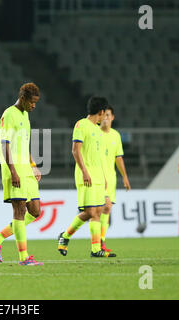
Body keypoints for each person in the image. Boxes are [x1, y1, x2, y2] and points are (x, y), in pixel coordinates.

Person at [0, 82, 43, 266]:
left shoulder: (25, 115)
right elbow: (5, 144)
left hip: (26, 167)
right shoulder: (9, 114)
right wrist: (13, 171)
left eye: (36, 102)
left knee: (34, 211)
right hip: (13, 168)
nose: (34, 106)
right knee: (19, 210)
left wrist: (33, 165)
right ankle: (24, 257)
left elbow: (24, 144)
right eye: (32, 102)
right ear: (23, 98)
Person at [57, 96, 116, 258]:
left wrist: (103, 177)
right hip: (86, 175)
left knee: (96, 211)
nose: (106, 117)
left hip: (97, 176)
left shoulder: (97, 130)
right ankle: (70, 238)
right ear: (102, 111)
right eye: (105, 113)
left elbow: (97, 157)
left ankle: (92, 247)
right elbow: (75, 150)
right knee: (91, 212)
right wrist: (84, 171)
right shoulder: (81, 125)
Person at [99, 106, 131, 252]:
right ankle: (98, 242)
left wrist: (125, 177)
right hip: (97, 177)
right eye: (103, 115)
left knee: (107, 209)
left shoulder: (116, 135)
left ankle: (101, 241)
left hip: (111, 178)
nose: (105, 118)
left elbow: (119, 158)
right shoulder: (94, 133)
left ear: (112, 117)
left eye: (108, 115)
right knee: (101, 208)